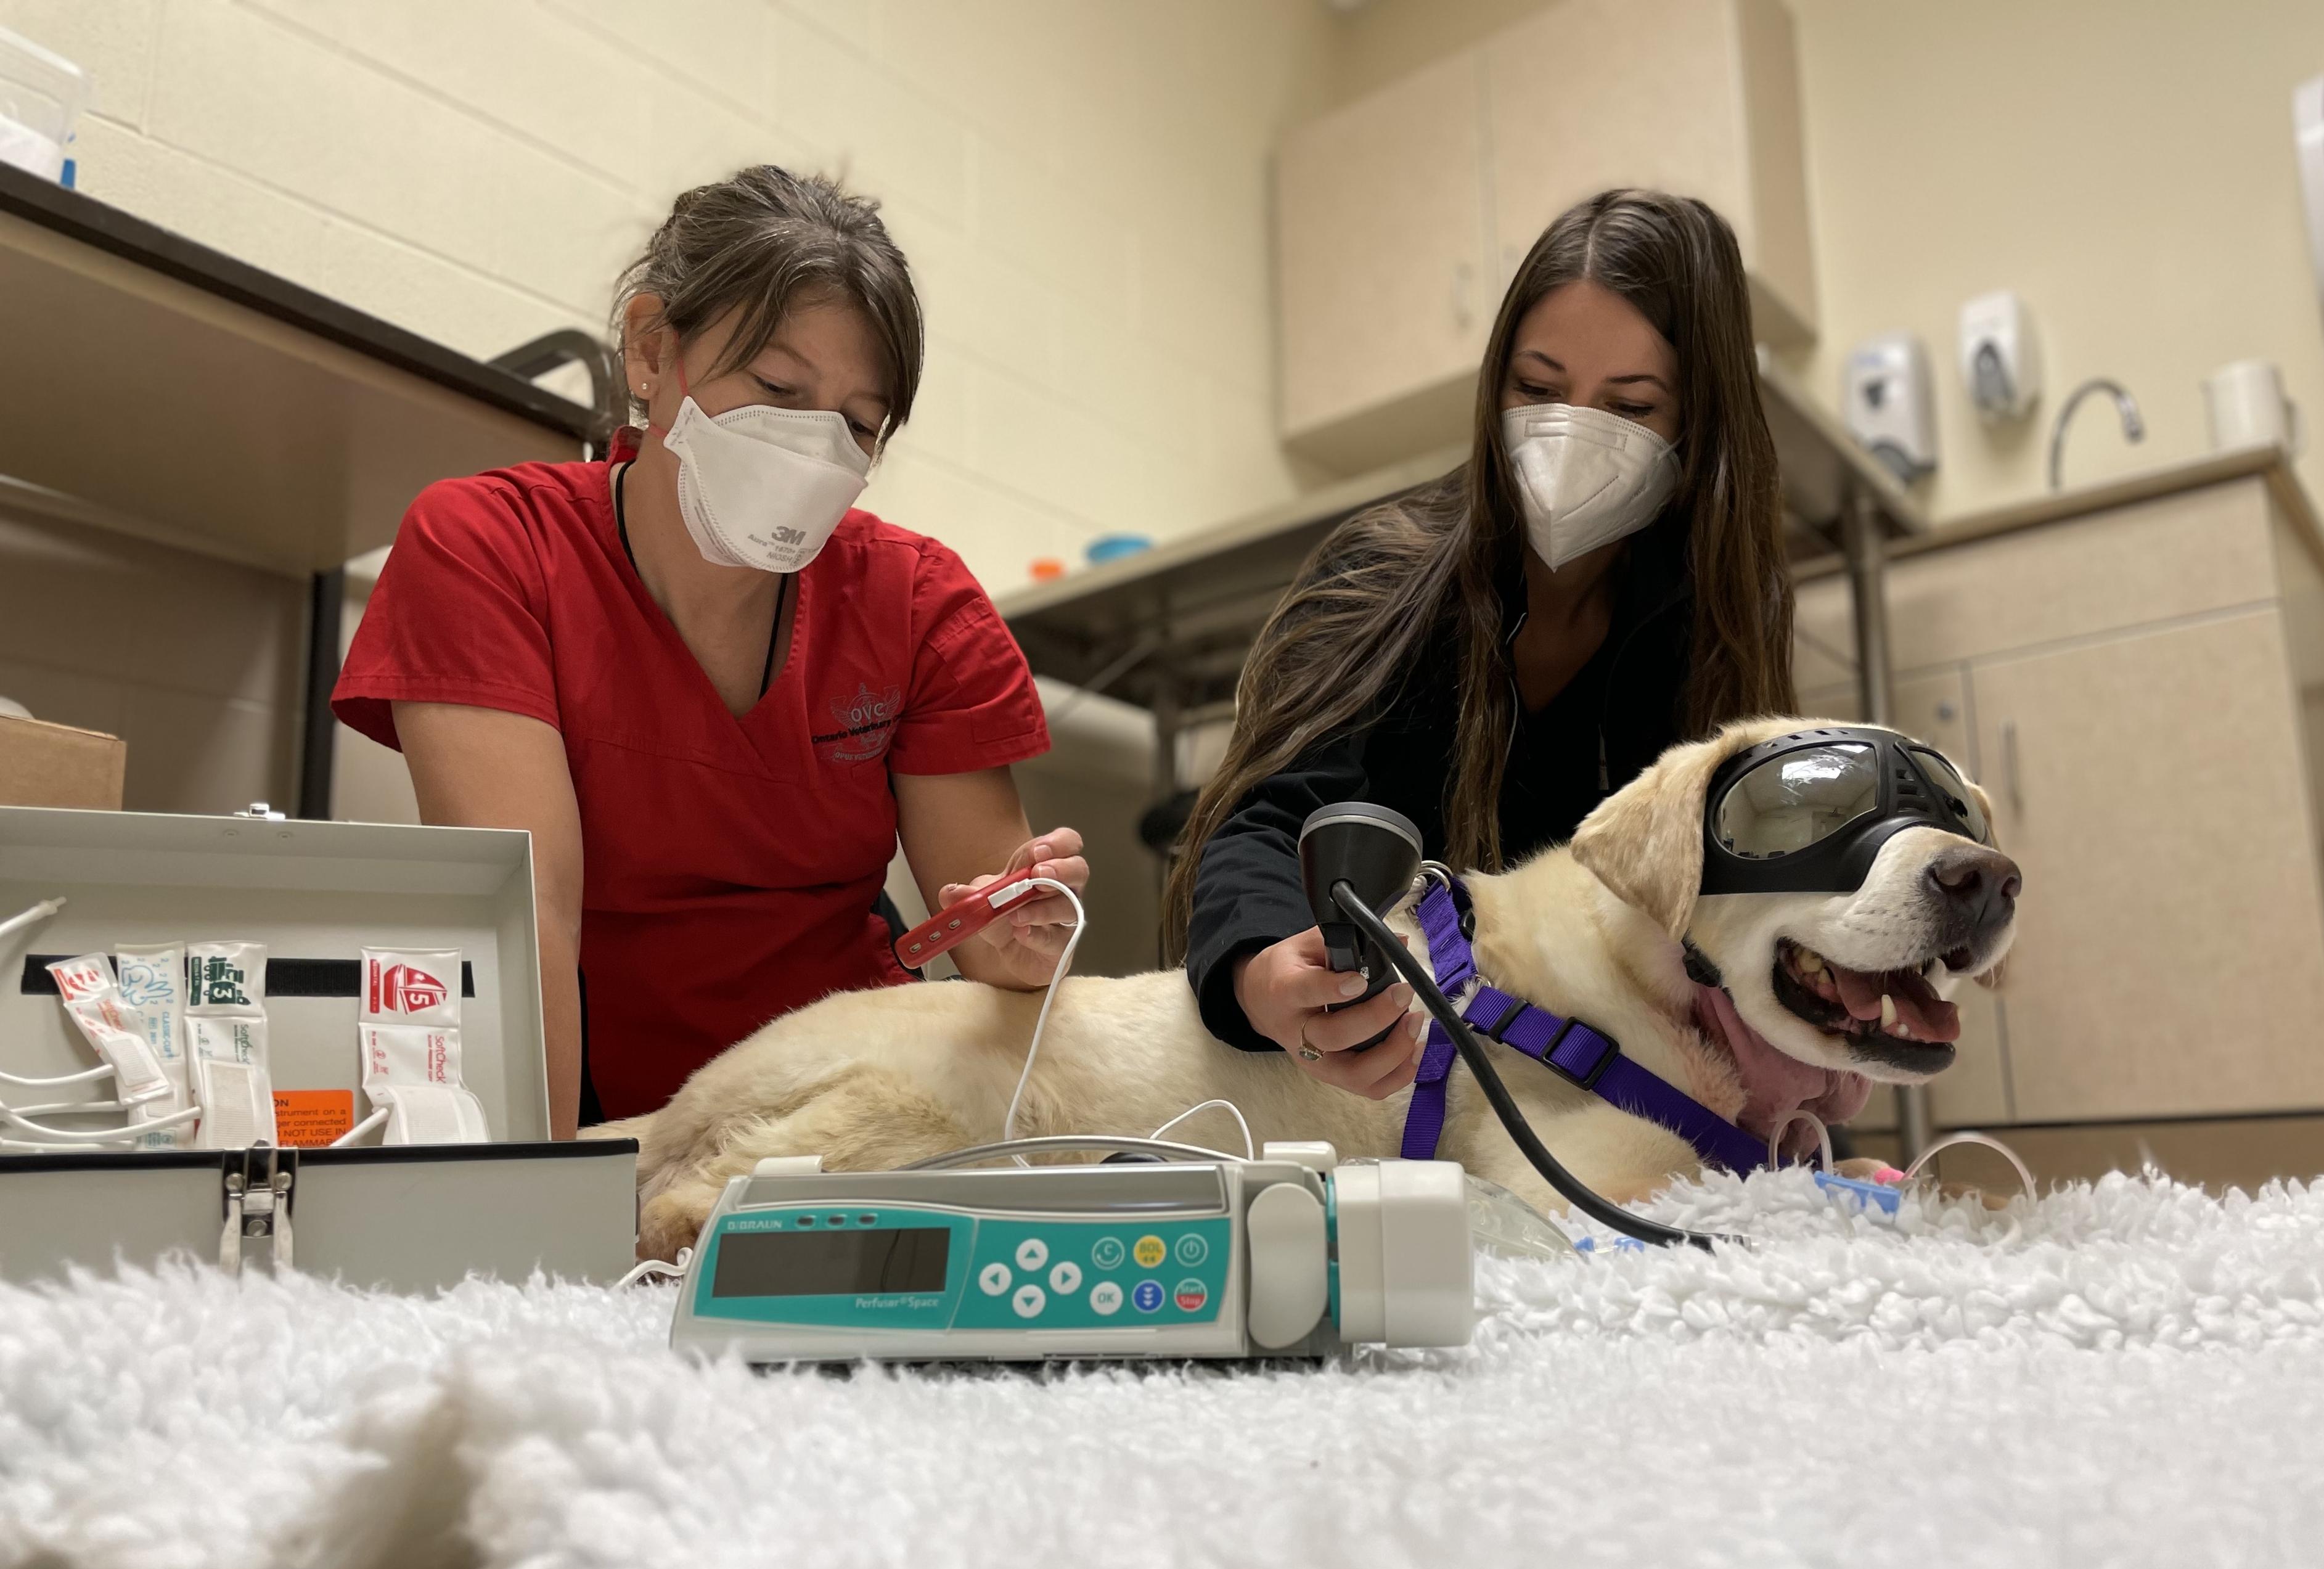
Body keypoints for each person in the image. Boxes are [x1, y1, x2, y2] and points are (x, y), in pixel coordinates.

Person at [335, 168, 1086, 1134]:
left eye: (857, 424)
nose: (816, 449)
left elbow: (991, 943)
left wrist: (1027, 936)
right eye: (777, 388)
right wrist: (549, 1225)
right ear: (653, 352)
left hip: (846, 1101)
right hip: (604, 1110)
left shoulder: (917, 603)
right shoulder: (491, 548)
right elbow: (528, 929)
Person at [1170, 188, 1794, 1098]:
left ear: (1695, 431)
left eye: (1628, 408)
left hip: (1581, 1088)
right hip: (1375, 1077)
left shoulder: (1708, 632)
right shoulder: (1384, 578)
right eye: (1537, 391)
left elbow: (1734, 914)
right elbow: (1267, 824)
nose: (1571, 434)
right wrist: (1266, 975)